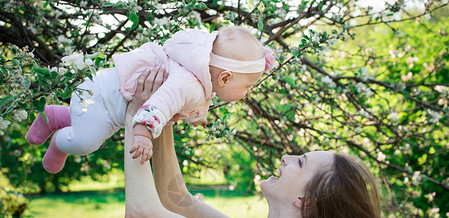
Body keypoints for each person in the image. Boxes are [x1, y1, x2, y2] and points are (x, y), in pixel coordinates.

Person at [123, 69, 411, 218]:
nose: (286, 157)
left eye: (300, 163)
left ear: (306, 200)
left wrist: (134, 114)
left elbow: (143, 214)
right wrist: (158, 115)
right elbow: (177, 201)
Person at [26, 26, 276, 173]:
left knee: (92, 124)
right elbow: (160, 105)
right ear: (224, 78)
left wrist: (194, 116)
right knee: (85, 143)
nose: (248, 93)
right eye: (248, 86)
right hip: (102, 99)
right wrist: (144, 136)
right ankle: (60, 142)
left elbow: (177, 103)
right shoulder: (190, 83)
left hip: (104, 98)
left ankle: (55, 116)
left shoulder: (196, 74)